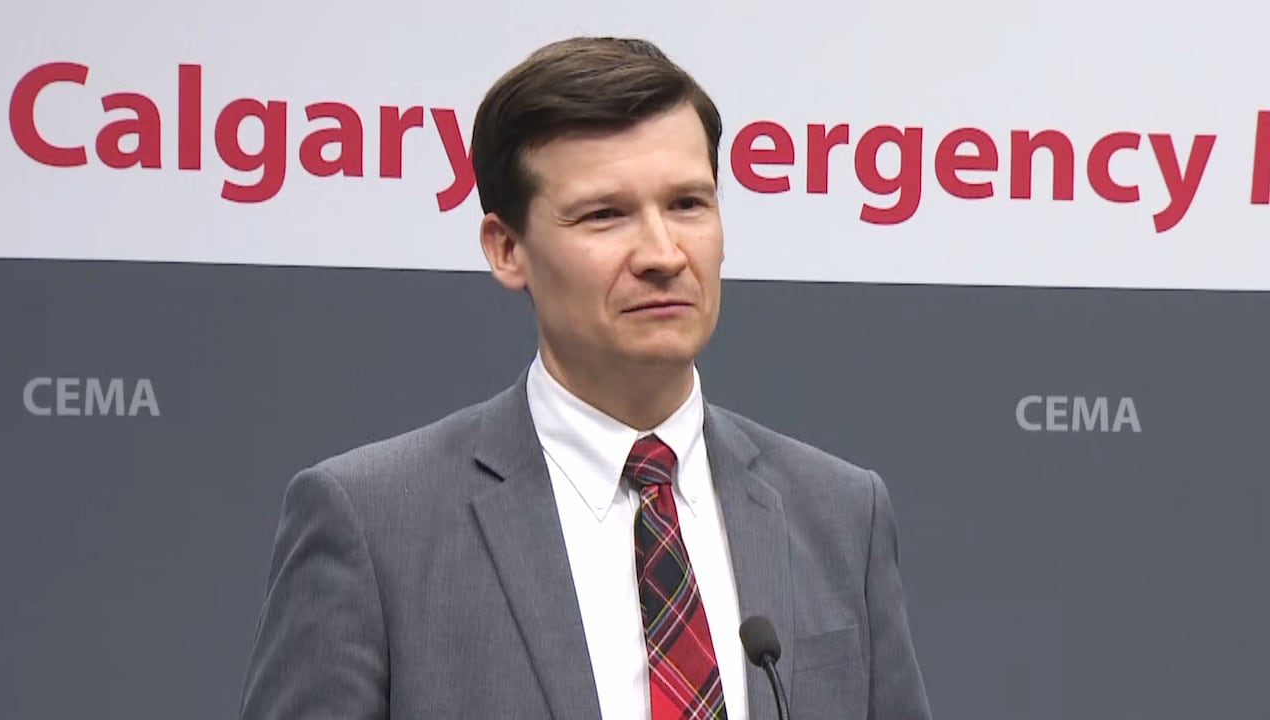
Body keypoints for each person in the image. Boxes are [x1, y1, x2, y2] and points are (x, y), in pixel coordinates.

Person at [238, 36, 932, 720]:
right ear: (507, 249)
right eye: (606, 215)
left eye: (689, 204)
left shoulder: (841, 514)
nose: (663, 254)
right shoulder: (375, 524)